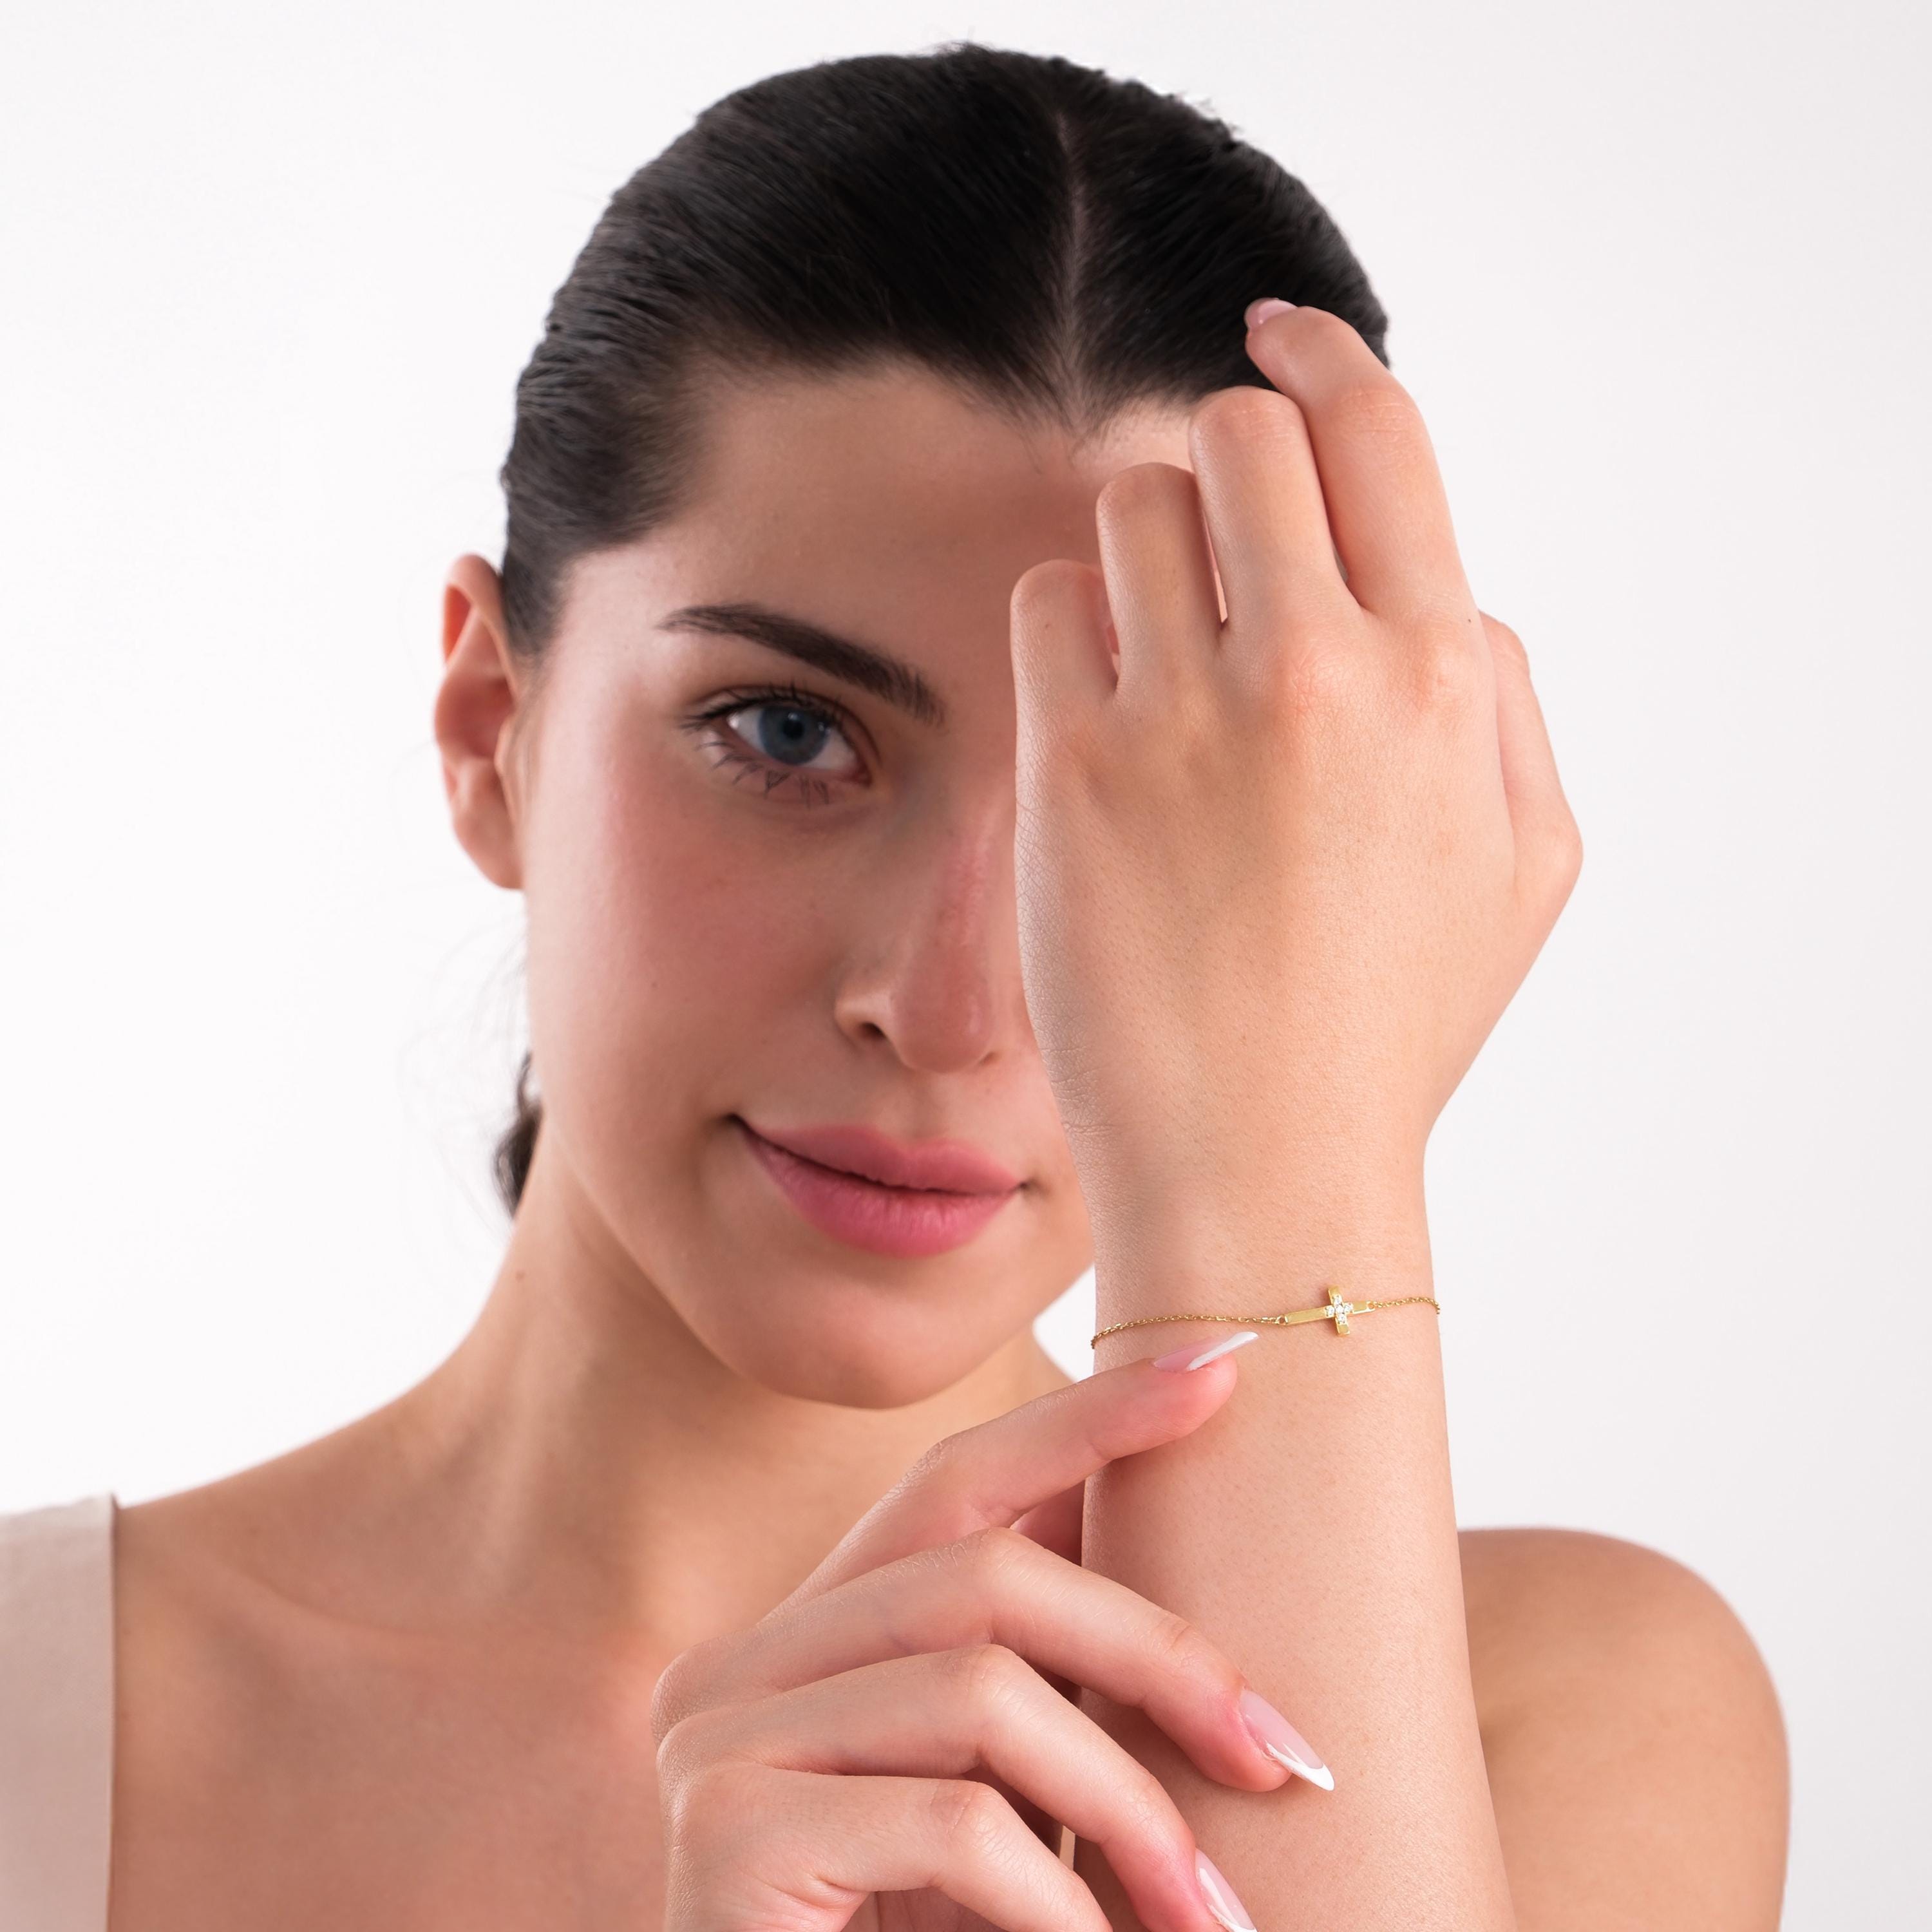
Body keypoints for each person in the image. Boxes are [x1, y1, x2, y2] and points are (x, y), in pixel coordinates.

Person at [0, 42, 1790, 1932]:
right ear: (488, 726)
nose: (944, 1011)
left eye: (1121, 815)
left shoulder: (1570, 1720)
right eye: (787, 734)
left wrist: (1292, 1162)